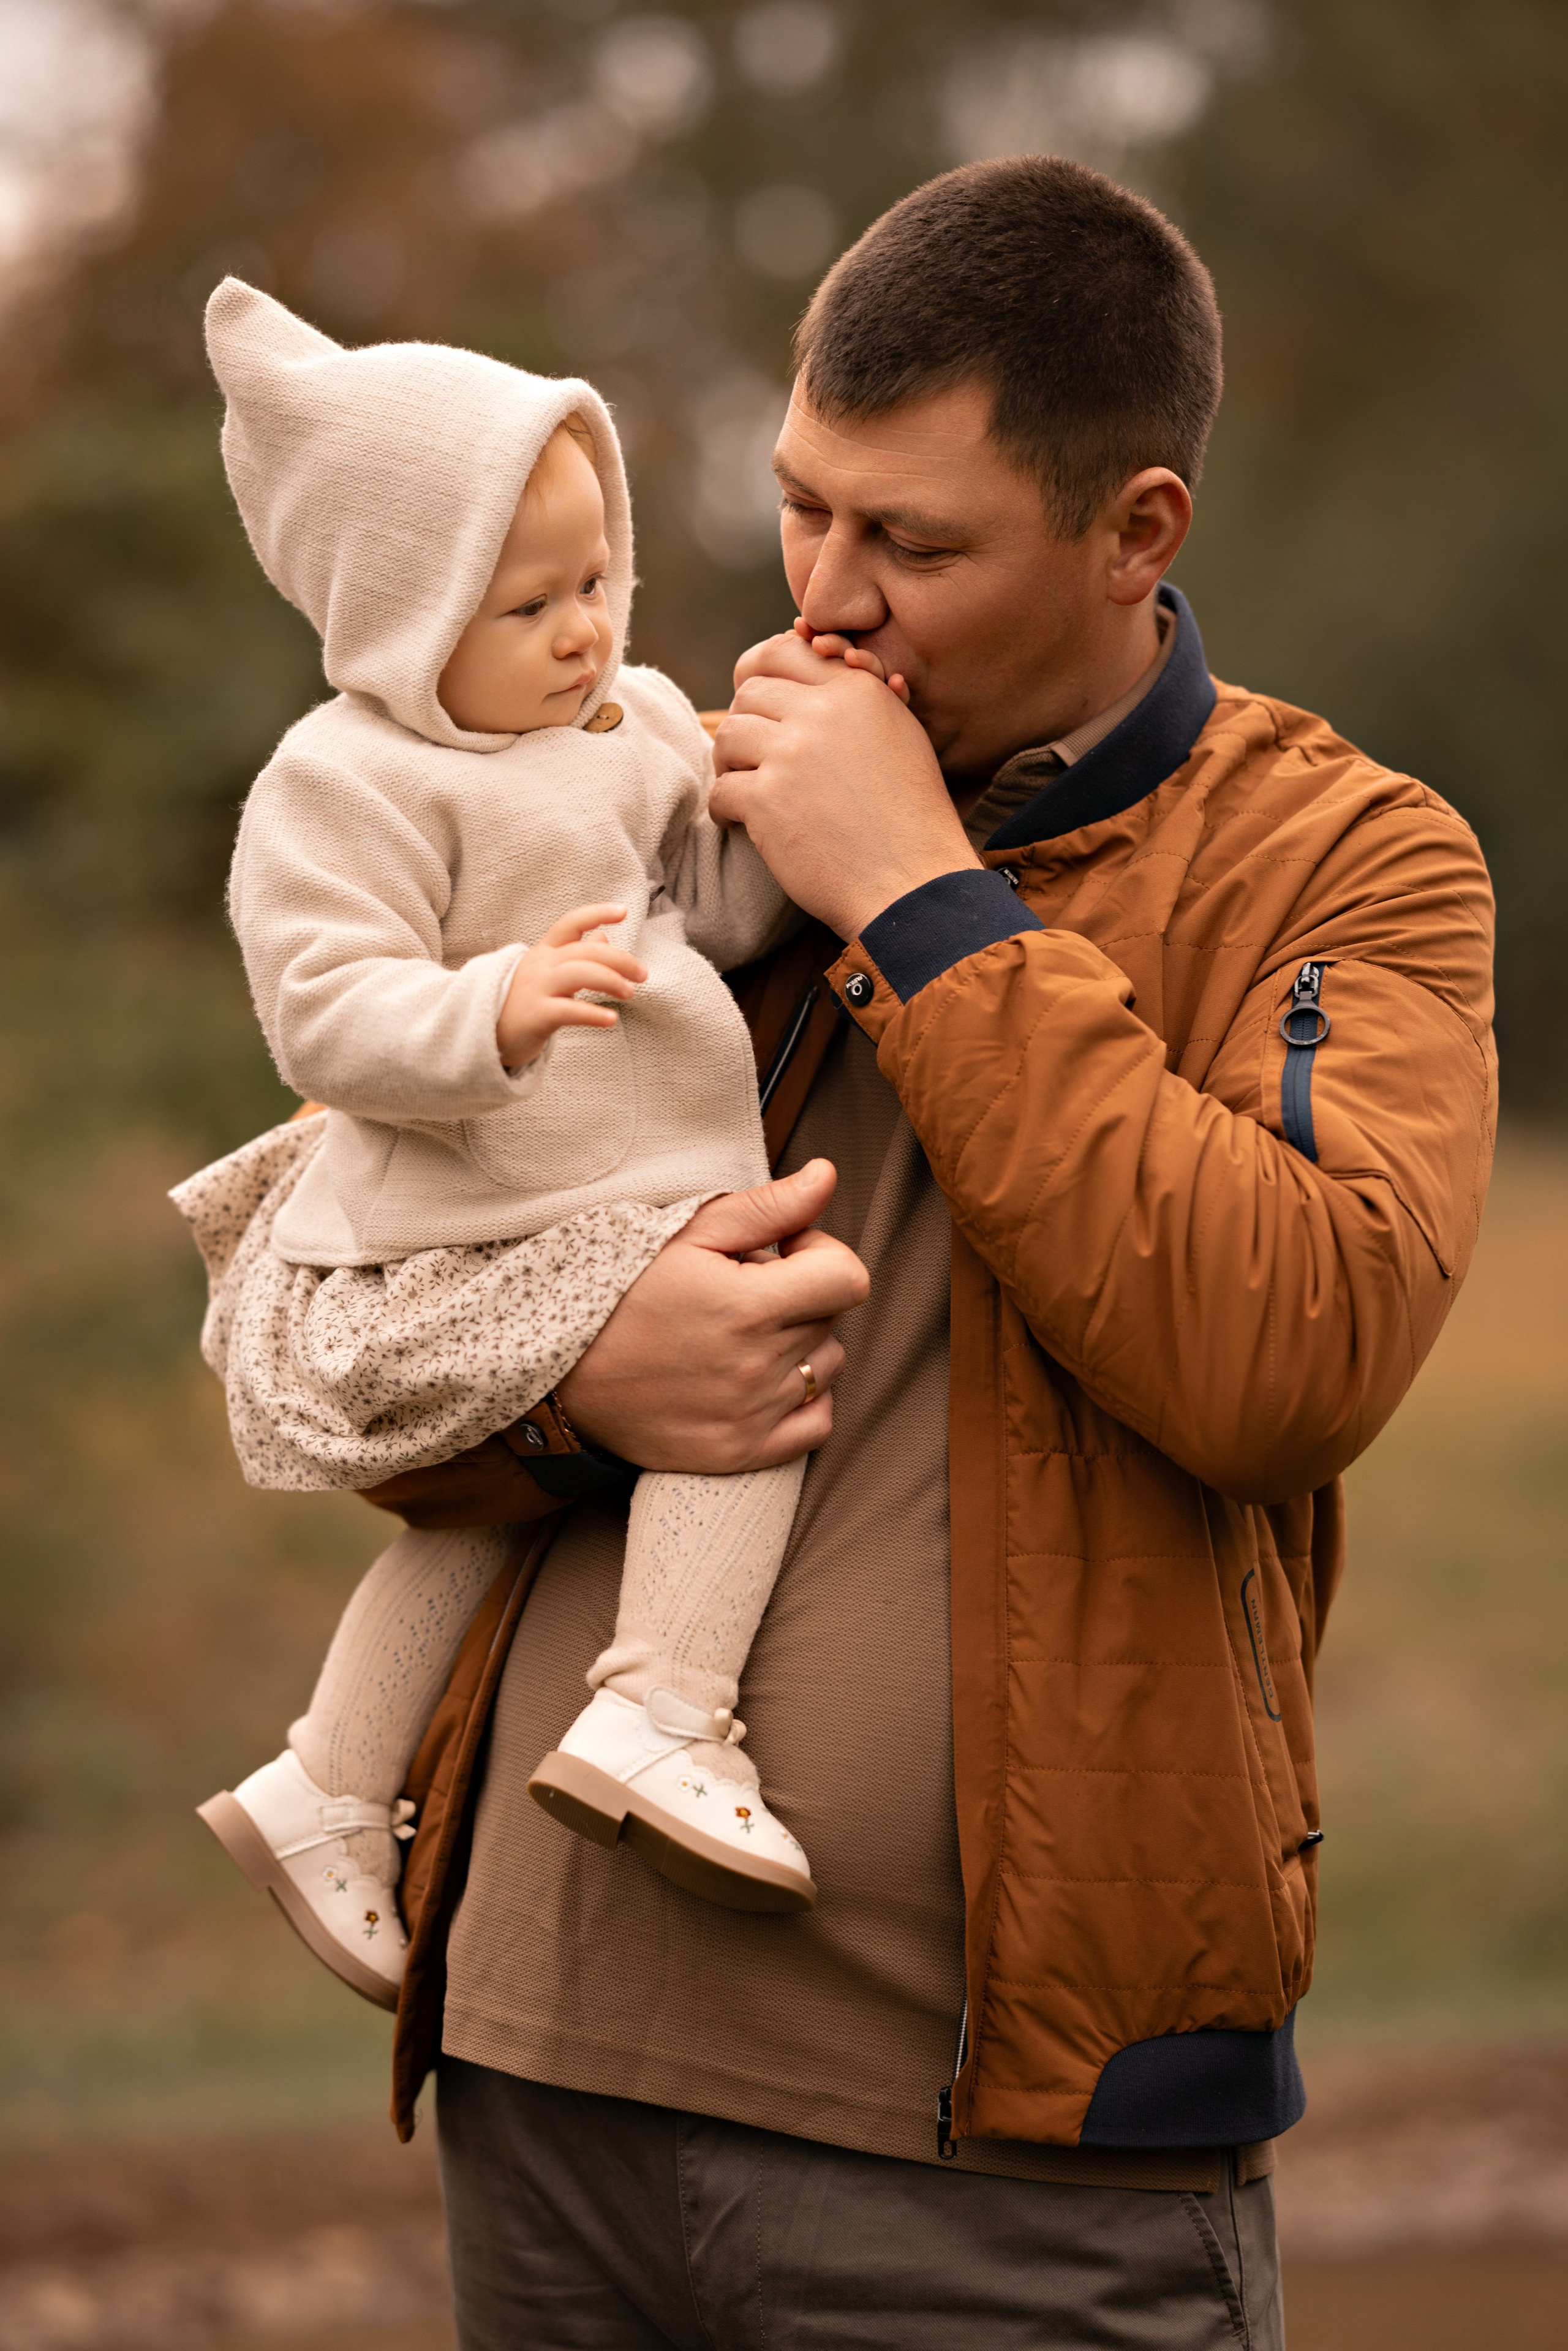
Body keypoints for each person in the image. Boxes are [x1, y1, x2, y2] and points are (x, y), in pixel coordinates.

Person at [268, 158, 1495, 2348]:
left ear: (1136, 532)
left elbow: (1292, 1352)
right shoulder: (630, 781)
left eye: (913, 545)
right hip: (543, 2082)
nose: (826, 601)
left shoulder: (1352, 861)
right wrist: (576, 1382)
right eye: (798, 507)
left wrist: (920, 897)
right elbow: (309, 1336)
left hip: (1001, 2162)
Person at [178, 276, 910, 2004]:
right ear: (401, 615)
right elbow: (321, 1009)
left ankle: (328, 1781)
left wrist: (793, 785)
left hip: (608, 1189)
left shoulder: (628, 725)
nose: (585, 631)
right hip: (479, 1208)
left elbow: (711, 909)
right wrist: (491, 1006)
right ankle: (665, 1710)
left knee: (495, 1512)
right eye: (527, 605)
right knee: (752, 1389)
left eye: (596, 580)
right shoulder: (347, 785)